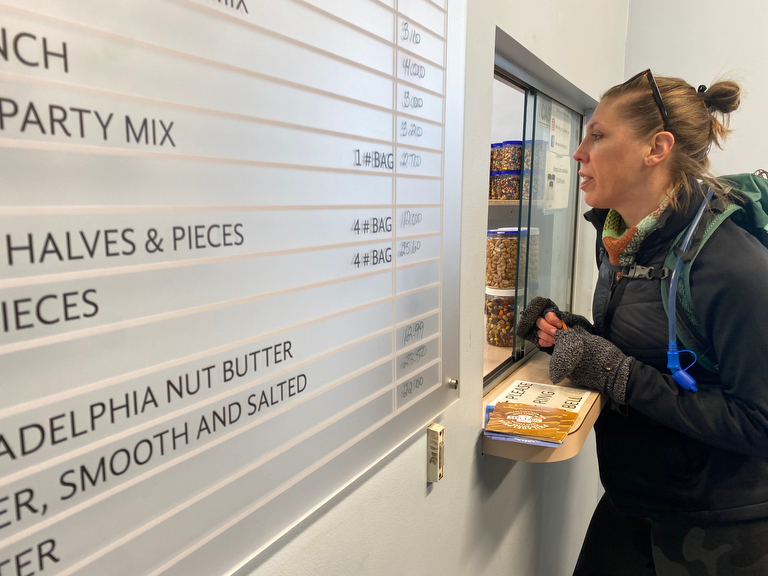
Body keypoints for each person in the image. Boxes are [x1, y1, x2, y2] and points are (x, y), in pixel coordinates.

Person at [516, 70, 768, 575]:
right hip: (632, 501)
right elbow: (646, 350)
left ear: (657, 148)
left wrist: (618, 374)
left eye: (598, 135)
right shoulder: (621, 241)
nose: (579, 152)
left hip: (719, 529)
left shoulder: (736, 268)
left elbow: (758, 423)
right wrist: (572, 336)